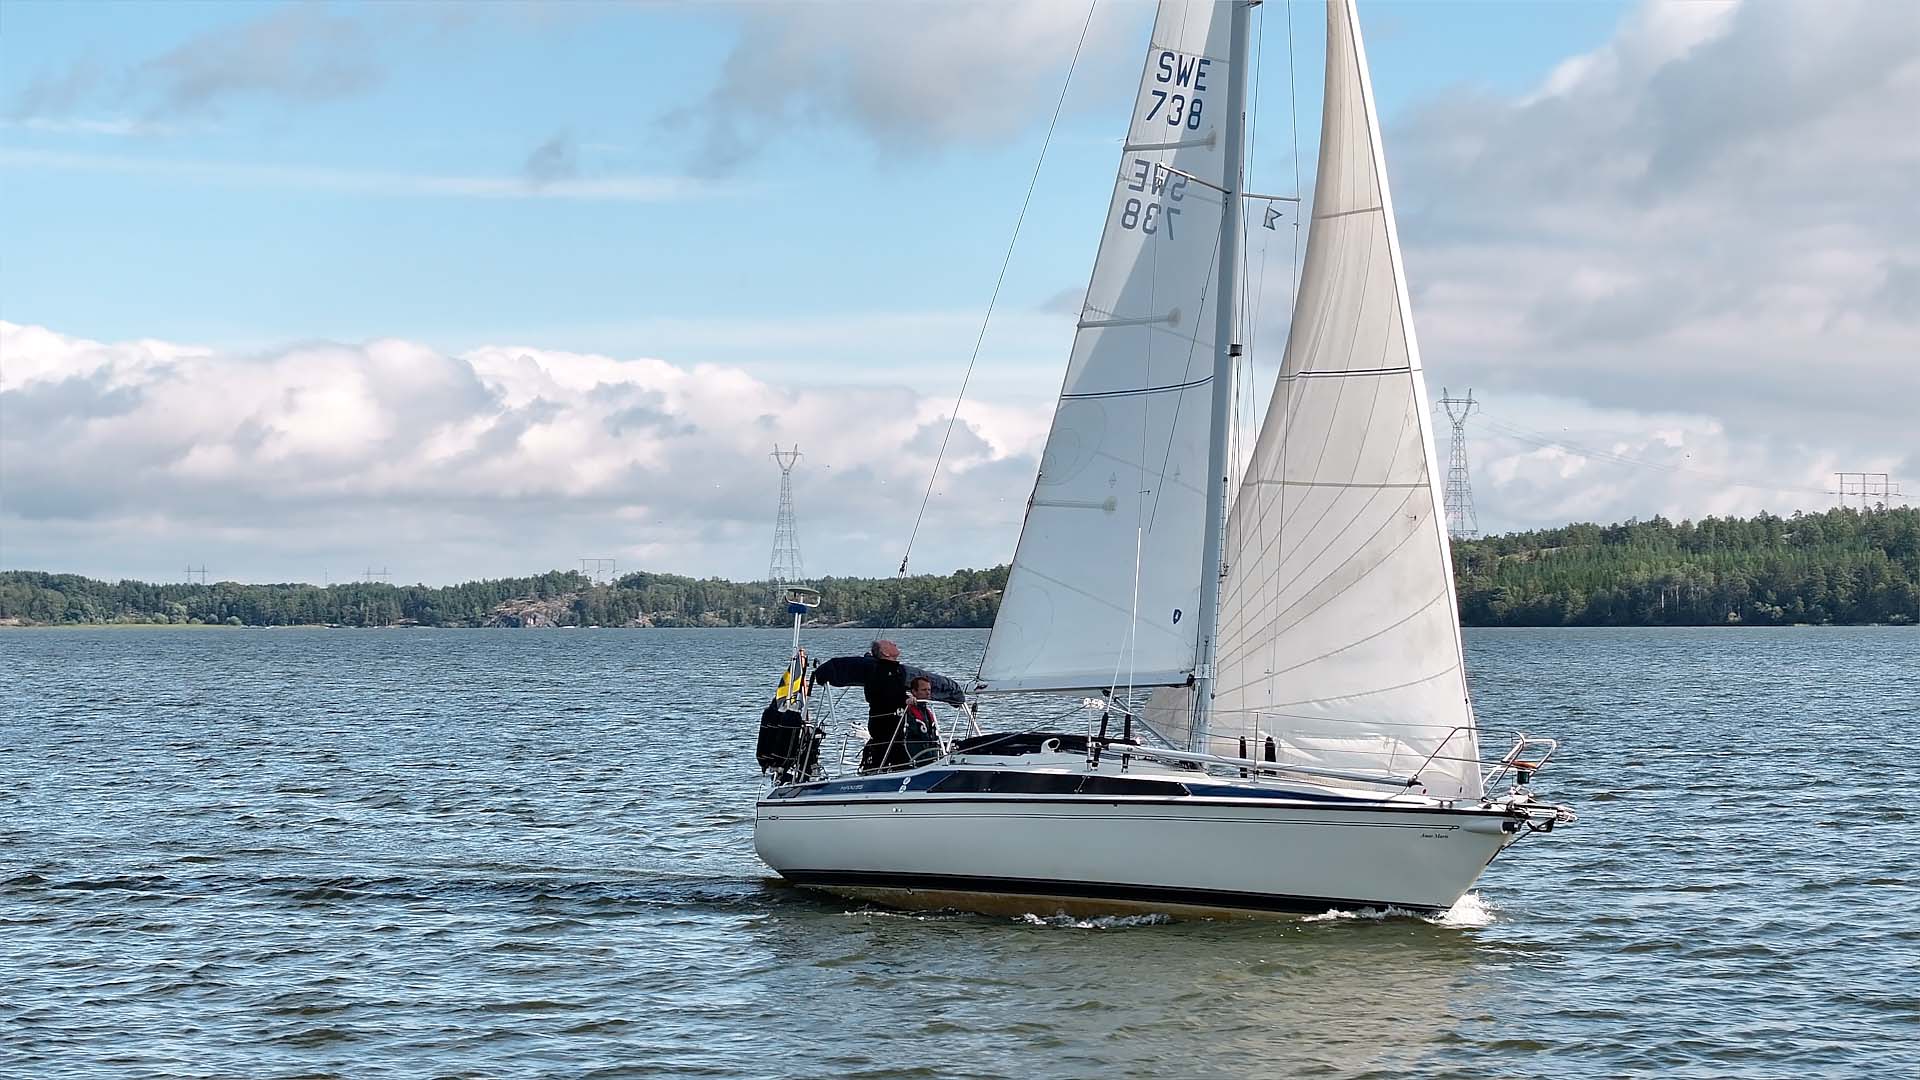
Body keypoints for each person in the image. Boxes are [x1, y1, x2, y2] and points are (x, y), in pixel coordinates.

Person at [811, 640, 963, 771]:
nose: (894, 643)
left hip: (898, 730)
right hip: (886, 727)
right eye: (890, 643)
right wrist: (905, 700)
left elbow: (893, 689)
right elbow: (884, 693)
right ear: (885, 652)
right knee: (891, 751)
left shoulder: (894, 671)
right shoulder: (878, 671)